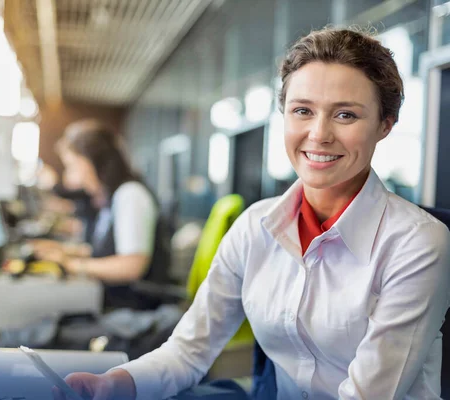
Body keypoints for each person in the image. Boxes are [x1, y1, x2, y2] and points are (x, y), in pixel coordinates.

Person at [57, 27, 450, 400]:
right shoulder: (255, 227)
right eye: (302, 111)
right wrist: (119, 384)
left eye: (345, 115)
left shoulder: (416, 243)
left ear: (385, 125)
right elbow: (189, 350)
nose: (319, 134)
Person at [31, 119, 170, 310]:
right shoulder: (113, 197)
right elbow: (111, 249)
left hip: (132, 314)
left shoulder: (131, 195)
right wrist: (66, 252)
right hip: (114, 306)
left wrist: (72, 265)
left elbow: (132, 265)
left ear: (91, 162)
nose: (74, 176)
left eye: (73, 166)